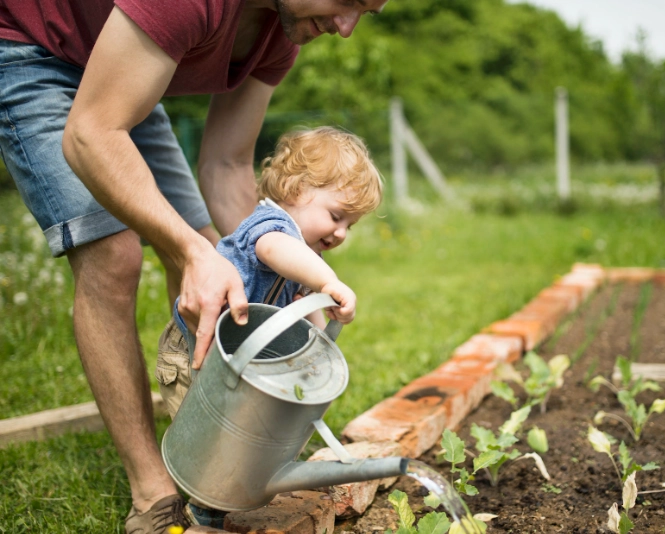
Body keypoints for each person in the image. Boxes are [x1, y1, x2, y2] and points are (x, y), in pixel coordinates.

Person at [0, 0, 387, 532]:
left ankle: (204, 436)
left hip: (122, 67)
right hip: (36, 50)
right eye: (349, 1)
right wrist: (193, 253)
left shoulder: (287, 27)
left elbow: (227, 165)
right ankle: (153, 489)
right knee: (114, 254)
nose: (347, 28)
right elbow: (91, 131)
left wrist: (243, 259)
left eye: (368, 12)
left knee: (213, 251)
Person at [156, 126, 382, 527]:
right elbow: (275, 250)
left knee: (243, 434)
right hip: (195, 354)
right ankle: (202, 509)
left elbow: (297, 305)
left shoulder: (302, 253)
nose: (342, 232)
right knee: (209, 441)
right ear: (296, 190)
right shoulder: (270, 227)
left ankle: (225, 498)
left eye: (351, 224)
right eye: (336, 216)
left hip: (238, 364)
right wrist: (327, 281)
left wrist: (319, 330)